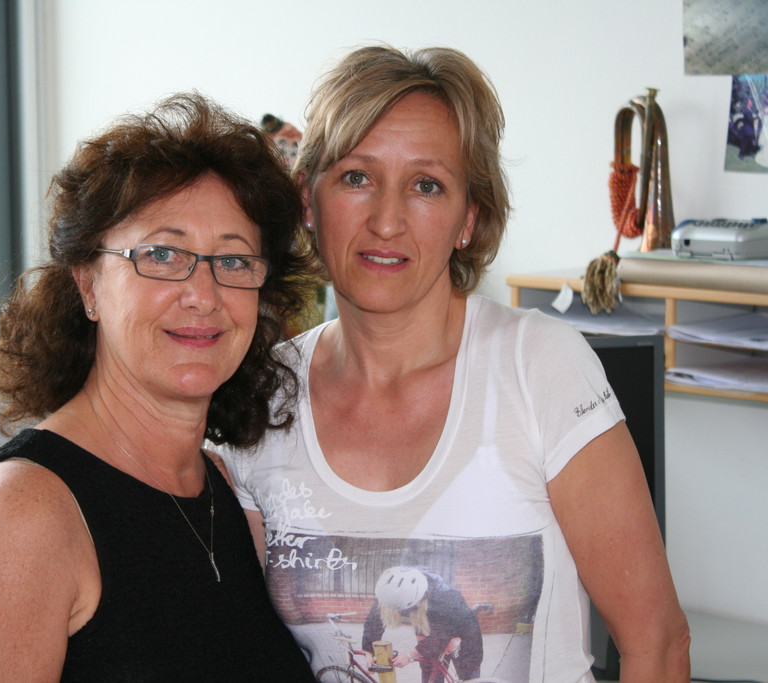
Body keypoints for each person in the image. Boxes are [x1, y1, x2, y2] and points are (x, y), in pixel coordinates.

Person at [220, 45, 690, 682]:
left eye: (427, 185)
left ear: (468, 218)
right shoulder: (261, 396)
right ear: (309, 199)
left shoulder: (540, 367)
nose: (387, 221)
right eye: (356, 177)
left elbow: (657, 644)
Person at [0, 93, 318, 682]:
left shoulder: (225, 491)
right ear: (88, 284)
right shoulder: (19, 513)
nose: (203, 295)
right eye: (162, 254)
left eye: (234, 262)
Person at [362, 566, 484, 680]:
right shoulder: (391, 588)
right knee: (430, 669)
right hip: (427, 619)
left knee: (468, 670)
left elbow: (440, 635)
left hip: (461, 626)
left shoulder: (445, 597)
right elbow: (374, 621)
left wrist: (410, 656)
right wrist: (368, 652)